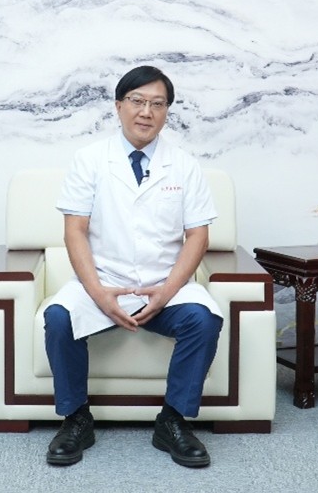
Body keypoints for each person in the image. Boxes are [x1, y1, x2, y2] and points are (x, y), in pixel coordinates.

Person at [42, 65, 223, 468]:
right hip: (103, 281)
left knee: (204, 320)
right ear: (118, 106)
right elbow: (75, 231)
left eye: (157, 104)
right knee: (59, 318)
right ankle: (76, 418)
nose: (146, 112)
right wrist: (98, 293)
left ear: (167, 111)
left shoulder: (185, 165)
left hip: (165, 284)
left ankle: (173, 421)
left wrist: (167, 292)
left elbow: (198, 236)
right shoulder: (89, 160)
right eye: (137, 101)